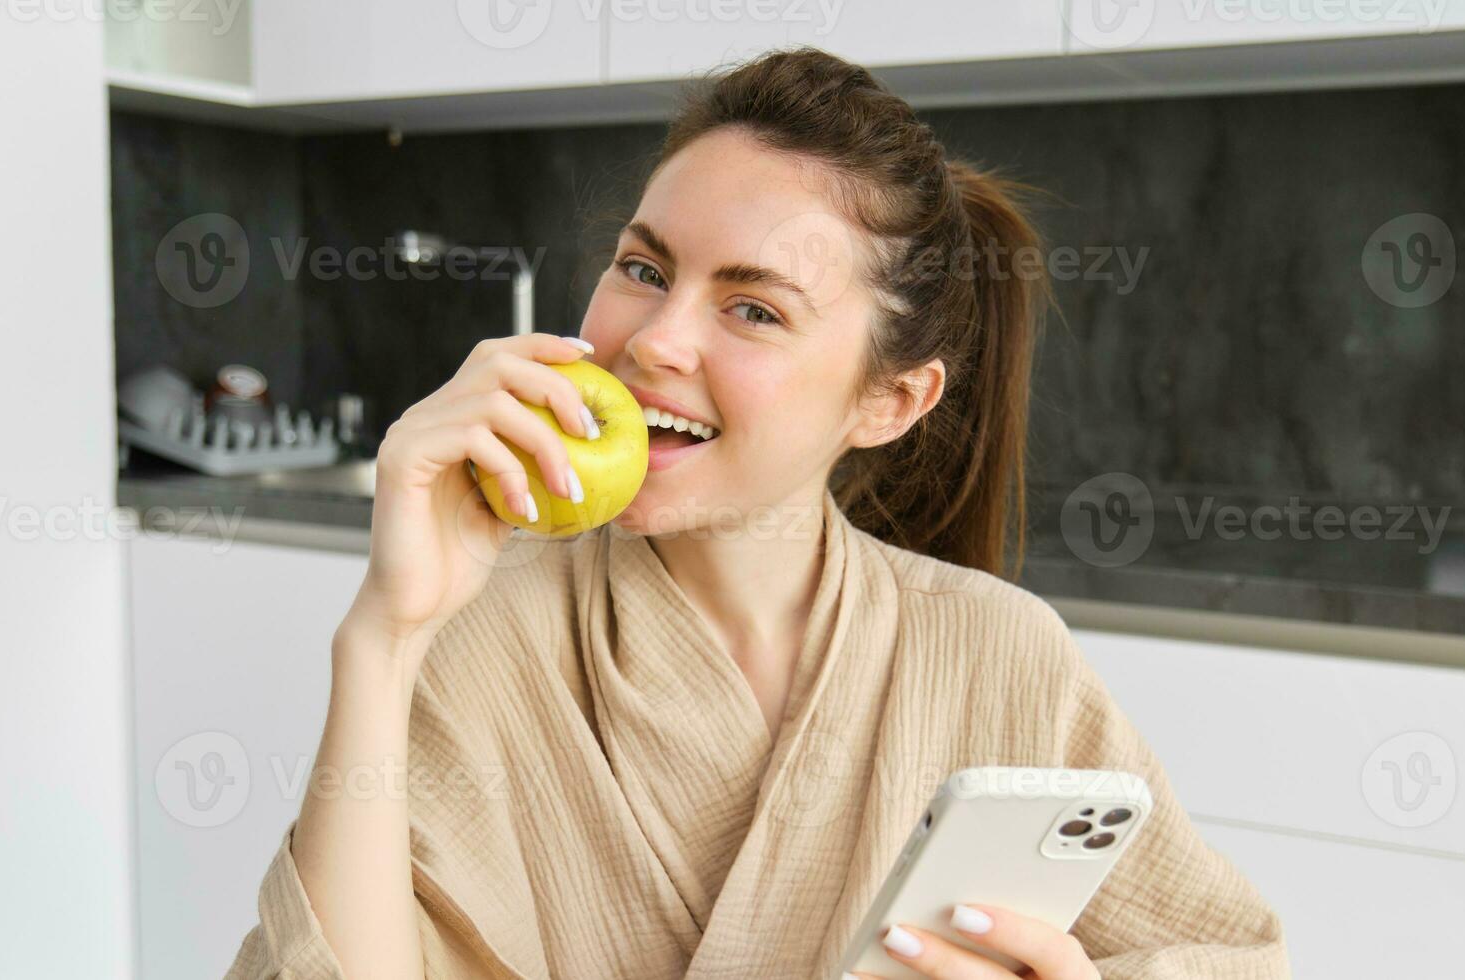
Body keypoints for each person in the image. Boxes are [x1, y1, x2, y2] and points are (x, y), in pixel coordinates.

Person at [226, 47, 1288, 980]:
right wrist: (382, 634)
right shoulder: (474, 632)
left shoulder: (998, 654)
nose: (653, 340)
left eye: (751, 307)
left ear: (888, 400)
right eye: (643, 268)